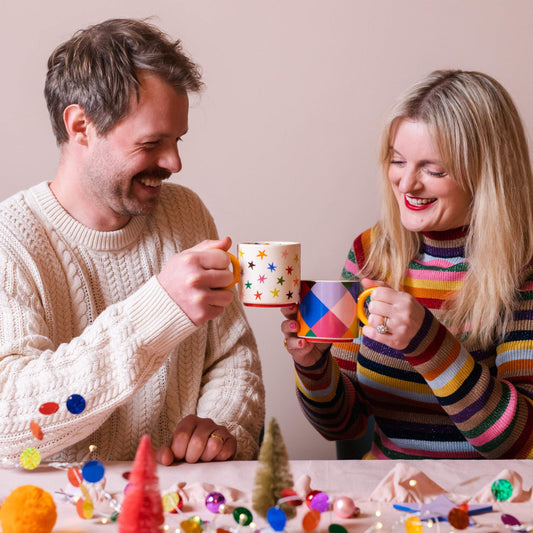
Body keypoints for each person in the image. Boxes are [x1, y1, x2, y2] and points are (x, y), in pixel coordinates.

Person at [0, 18, 264, 466]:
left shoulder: (185, 214)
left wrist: (220, 428)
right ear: (80, 125)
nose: (174, 162)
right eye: (152, 143)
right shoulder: (11, 240)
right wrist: (158, 311)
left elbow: (232, 354)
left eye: (177, 140)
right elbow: (11, 422)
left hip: (186, 503)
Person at [282, 70, 533, 459]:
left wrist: (428, 344)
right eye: (398, 161)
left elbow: (518, 442)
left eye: (434, 170)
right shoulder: (371, 253)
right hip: (387, 501)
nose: (407, 184)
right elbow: (344, 425)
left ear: (487, 173)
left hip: (492, 505)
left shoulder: (523, 268)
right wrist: (314, 367)